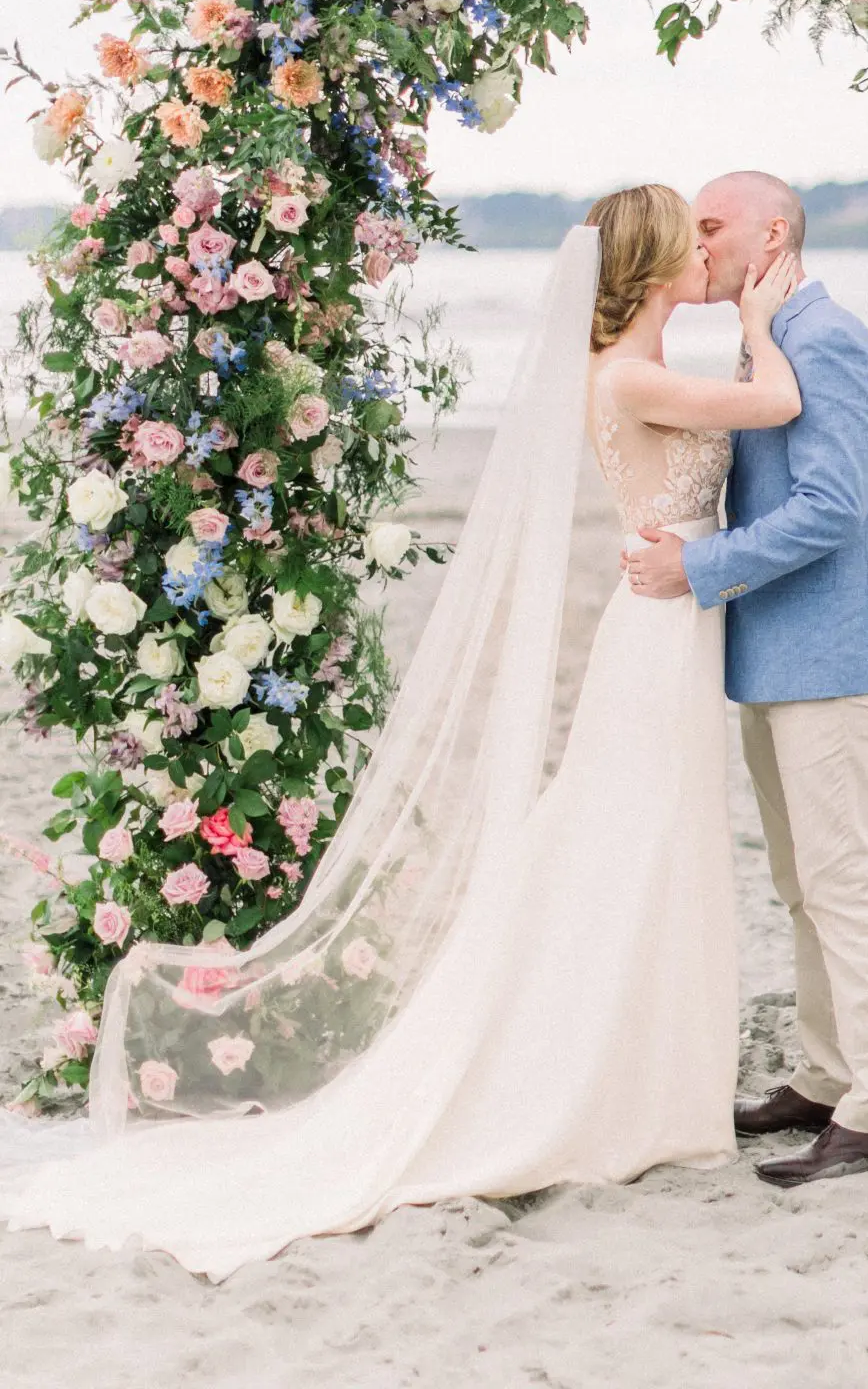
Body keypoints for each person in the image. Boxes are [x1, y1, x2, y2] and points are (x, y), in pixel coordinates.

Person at [0, 189, 798, 1280]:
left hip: (672, 616)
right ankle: (609, 1072)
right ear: (654, 261)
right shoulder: (627, 373)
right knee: (635, 838)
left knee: (652, 841)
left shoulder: (639, 365)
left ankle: (648, 1065)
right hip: (658, 634)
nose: (707, 251)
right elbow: (778, 401)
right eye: (690, 237)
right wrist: (758, 322)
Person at [627, 171, 868, 1186]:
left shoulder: (823, 337)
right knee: (803, 886)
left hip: (830, 658)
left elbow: (832, 507)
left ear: (775, 232)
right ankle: (829, 1076)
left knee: (846, 884)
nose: (696, 242)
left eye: (712, 225)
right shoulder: (769, 338)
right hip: (780, 657)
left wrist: (697, 566)